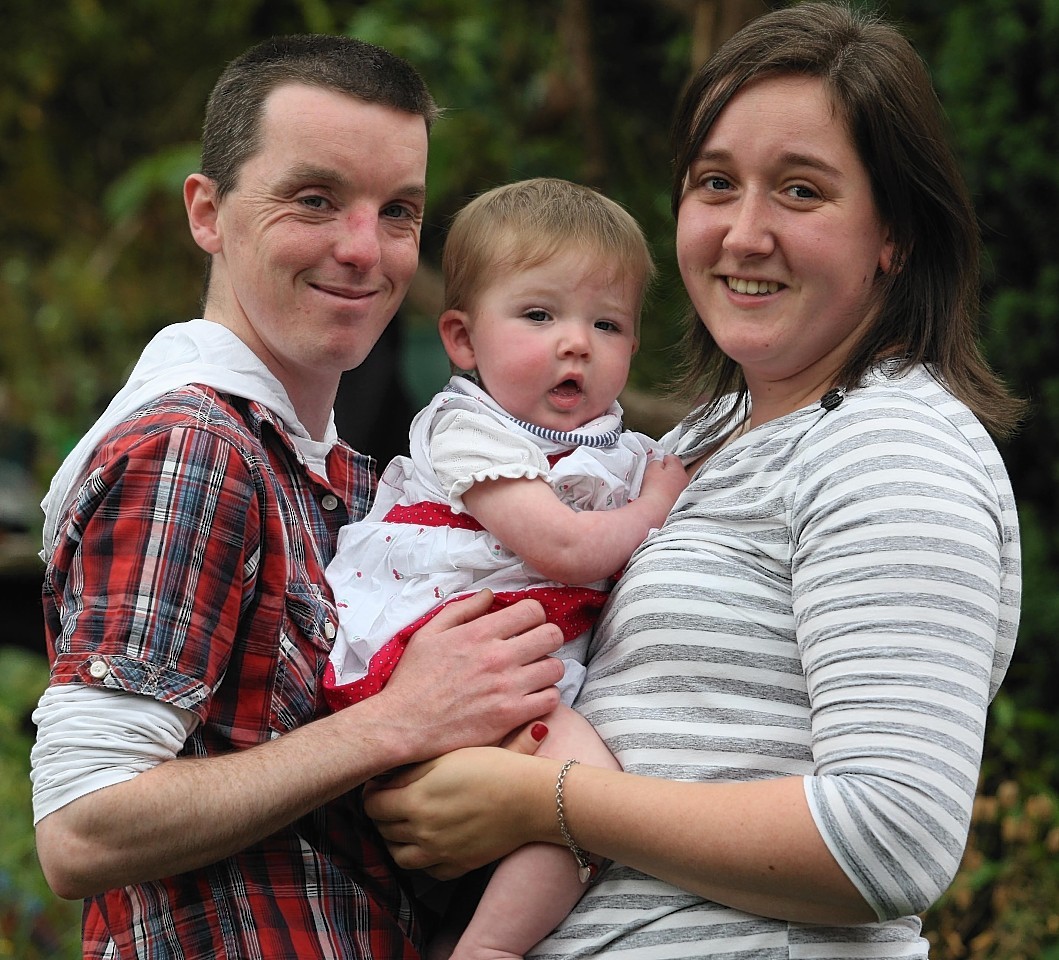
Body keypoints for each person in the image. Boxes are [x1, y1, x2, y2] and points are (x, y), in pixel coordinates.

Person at [361, 4, 1024, 958]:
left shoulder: (893, 448)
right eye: (716, 183)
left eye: (800, 191)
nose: (743, 233)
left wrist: (547, 802)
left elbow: (891, 839)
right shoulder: (707, 436)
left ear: (897, 235)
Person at [29, 34, 570, 960]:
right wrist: (395, 722)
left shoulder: (348, 478)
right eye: (314, 200)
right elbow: (83, 827)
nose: (363, 250)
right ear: (208, 212)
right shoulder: (193, 447)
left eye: (398, 212)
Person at [323, 177, 688, 959]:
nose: (575, 342)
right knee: (586, 783)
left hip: (508, 658)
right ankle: (489, 949)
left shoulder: (610, 447)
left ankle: (471, 934)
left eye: (608, 323)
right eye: (537, 315)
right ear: (461, 339)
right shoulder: (469, 429)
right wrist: (654, 506)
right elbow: (564, 549)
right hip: (437, 657)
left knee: (564, 798)